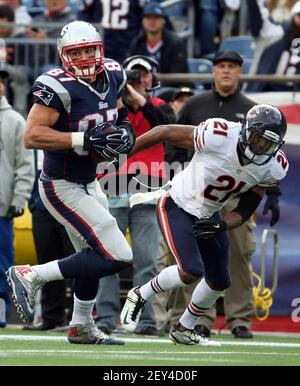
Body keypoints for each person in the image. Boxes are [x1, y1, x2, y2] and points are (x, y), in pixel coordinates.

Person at [6, 20, 135, 345]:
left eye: (90, 49)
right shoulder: (57, 85)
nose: (86, 58)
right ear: (64, 56)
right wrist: (84, 138)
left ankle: (80, 325)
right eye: (77, 52)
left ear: (100, 48)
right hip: (59, 183)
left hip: (90, 180)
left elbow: (119, 113)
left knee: (91, 257)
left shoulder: (114, 73)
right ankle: (30, 274)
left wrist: (126, 130)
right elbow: (32, 135)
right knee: (117, 254)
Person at [119, 103, 288, 345]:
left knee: (219, 280)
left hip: (210, 213)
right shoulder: (219, 135)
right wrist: (125, 152)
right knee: (190, 270)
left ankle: (184, 328)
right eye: (257, 138)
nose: (259, 147)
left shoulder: (273, 166)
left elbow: (245, 208)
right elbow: (165, 130)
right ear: (245, 129)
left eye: (267, 143)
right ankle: (140, 293)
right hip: (177, 202)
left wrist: (222, 226)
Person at [166, 50, 283, 339]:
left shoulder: (254, 109)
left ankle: (239, 317)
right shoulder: (196, 103)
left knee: (239, 254)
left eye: (232, 66)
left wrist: (274, 194)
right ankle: (194, 319)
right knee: (186, 257)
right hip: (196, 190)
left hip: (237, 193)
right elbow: (175, 138)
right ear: (213, 72)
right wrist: (172, 170)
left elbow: (268, 161)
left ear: (240, 72)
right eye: (221, 66)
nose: (226, 71)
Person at [95, 54, 175, 336]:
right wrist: (121, 90)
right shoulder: (110, 108)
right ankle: (105, 318)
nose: (140, 79)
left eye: (144, 74)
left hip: (147, 191)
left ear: (153, 77)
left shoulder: (159, 106)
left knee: (147, 262)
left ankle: (145, 321)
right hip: (112, 189)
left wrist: (135, 94)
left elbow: (163, 124)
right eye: (134, 74)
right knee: (108, 258)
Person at [0, 68, 34, 327]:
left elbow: (24, 165)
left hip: (2, 208)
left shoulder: (15, 121)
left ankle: (0, 314)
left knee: (2, 265)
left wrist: (18, 198)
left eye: (1, 81)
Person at [128, 2, 189, 87]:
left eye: (156, 17)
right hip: (142, 89)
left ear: (163, 20)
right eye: (148, 17)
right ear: (143, 20)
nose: (152, 21)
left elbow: (178, 77)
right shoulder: (137, 43)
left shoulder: (176, 43)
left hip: (169, 90)